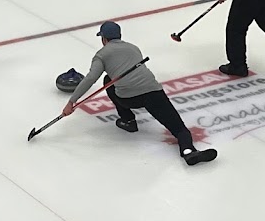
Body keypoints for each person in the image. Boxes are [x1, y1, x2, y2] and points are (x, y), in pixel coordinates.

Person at [62, 21, 217, 167]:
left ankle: (128, 121)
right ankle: (188, 150)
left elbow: (90, 78)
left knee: (108, 81)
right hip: (154, 92)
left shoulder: (101, 55)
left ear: (104, 38)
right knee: (179, 128)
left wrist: (71, 102)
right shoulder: (134, 48)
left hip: (129, 98)